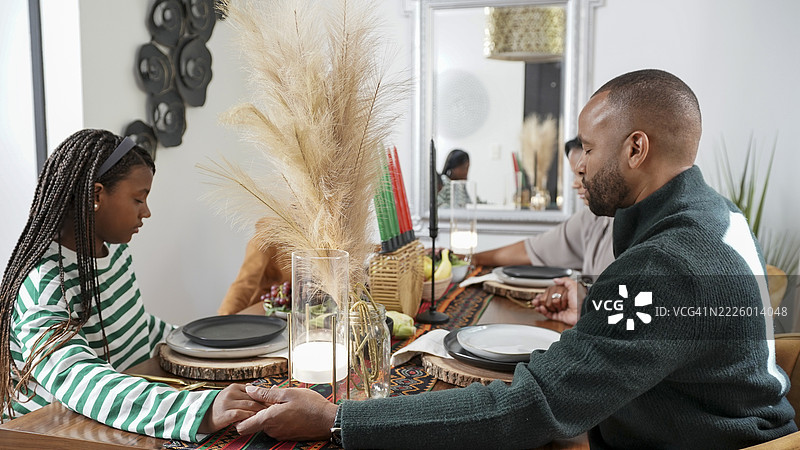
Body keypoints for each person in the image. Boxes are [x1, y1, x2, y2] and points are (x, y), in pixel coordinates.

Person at [232, 69, 798, 448]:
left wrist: (337, 419)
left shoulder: (667, 264)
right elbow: (679, 323)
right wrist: (598, 306)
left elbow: (531, 408)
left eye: (589, 148)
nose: (578, 166)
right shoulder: (714, 216)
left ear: (636, 148)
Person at [0, 129, 262, 440]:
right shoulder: (44, 285)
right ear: (96, 196)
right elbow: (80, 380)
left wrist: (219, 346)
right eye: (138, 199)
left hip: (114, 416)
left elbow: (136, 327)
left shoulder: (114, 251)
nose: (146, 212)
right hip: (51, 433)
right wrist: (198, 410)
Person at [472, 137, 614, 311]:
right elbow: (531, 250)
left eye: (582, 174)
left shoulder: (634, 230)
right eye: (576, 173)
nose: (575, 184)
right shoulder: (592, 217)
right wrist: (470, 258)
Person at [218, 220, 290, 315]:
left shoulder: (308, 235)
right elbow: (245, 282)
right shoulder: (266, 237)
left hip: (300, 313)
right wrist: (225, 317)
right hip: (267, 313)